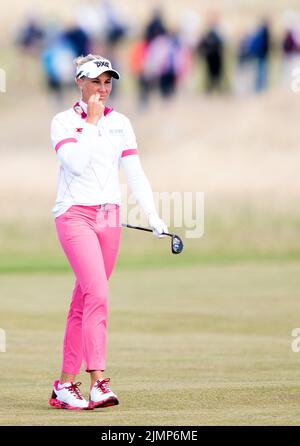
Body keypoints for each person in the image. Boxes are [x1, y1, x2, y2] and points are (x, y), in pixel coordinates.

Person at [49, 54, 168, 410]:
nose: (103, 89)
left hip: (108, 219)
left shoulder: (122, 124)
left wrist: (153, 215)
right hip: (74, 216)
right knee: (98, 293)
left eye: (108, 82)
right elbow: (75, 163)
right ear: (79, 83)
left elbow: (135, 173)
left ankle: (64, 385)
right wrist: (91, 121)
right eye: (96, 82)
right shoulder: (63, 122)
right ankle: (98, 381)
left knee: (84, 300)